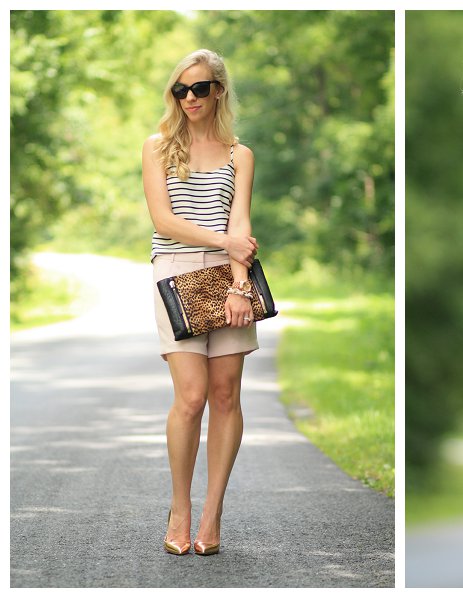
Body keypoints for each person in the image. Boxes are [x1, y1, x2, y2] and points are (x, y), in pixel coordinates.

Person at [143, 49, 260, 556]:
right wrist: (226, 246)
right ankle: (180, 507)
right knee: (191, 397)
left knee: (226, 394)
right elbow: (163, 222)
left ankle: (212, 515)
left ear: (219, 91)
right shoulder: (158, 147)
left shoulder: (241, 154)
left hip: (228, 278)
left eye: (200, 88)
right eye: (180, 90)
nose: (189, 98)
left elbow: (241, 225)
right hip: (176, 273)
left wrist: (240, 286)